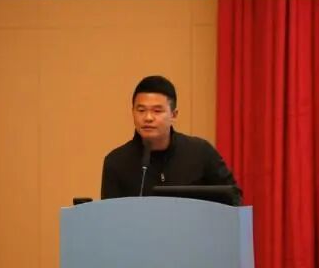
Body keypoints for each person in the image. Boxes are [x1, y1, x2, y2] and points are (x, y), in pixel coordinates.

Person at [101, 75, 242, 200]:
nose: (148, 118)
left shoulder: (200, 153)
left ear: (173, 115)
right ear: (133, 112)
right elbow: (110, 216)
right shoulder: (116, 162)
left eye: (157, 111)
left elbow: (233, 197)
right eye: (141, 110)